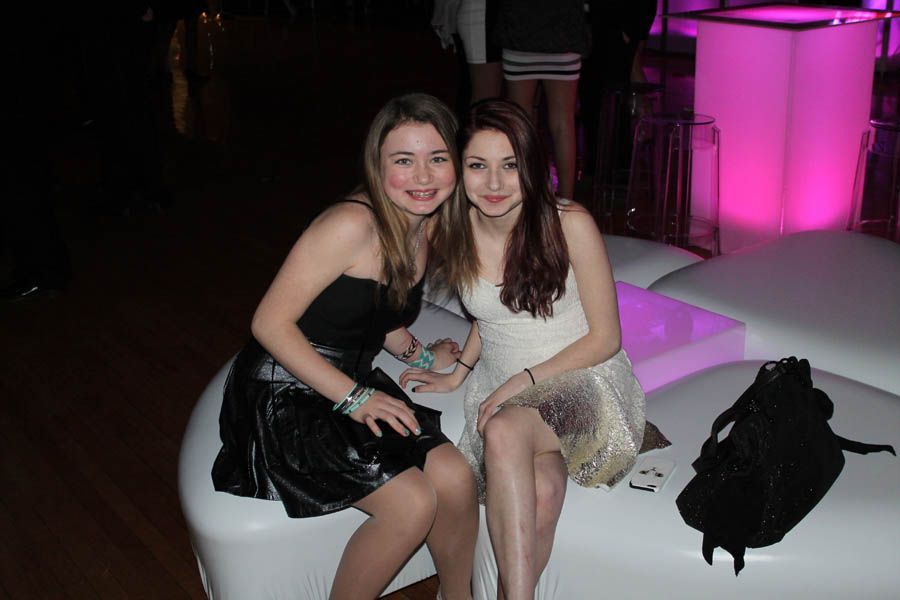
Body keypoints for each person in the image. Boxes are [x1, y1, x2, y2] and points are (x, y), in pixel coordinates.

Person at [211, 93, 478, 600]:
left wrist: (423, 357)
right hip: (286, 389)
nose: (423, 176)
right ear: (377, 167)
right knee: (412, 503)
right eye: (404, 160)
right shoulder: (350, 225)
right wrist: (355, 399)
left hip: (349, 382)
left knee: (456, 478)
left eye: (436, 158)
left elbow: (379, 313)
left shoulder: (427, 223)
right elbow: (268, 322)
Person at [402, 99, 652, 599]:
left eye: (509, 165)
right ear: (460, 170)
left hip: (587, 384)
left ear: (533, 167)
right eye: (478, 166)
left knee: (505, 426)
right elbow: (489, 316)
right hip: (506, 389)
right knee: (543, 490)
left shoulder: (568, 223)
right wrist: (458, 374)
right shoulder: (457, 228)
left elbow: (606, 338)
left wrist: (526, 380)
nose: (493, 184)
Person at [493, 0, 589, 201]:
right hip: (564, 35)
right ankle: (566, 202)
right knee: (563, 123)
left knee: (521, 122)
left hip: (521, 33)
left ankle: (525, 197)